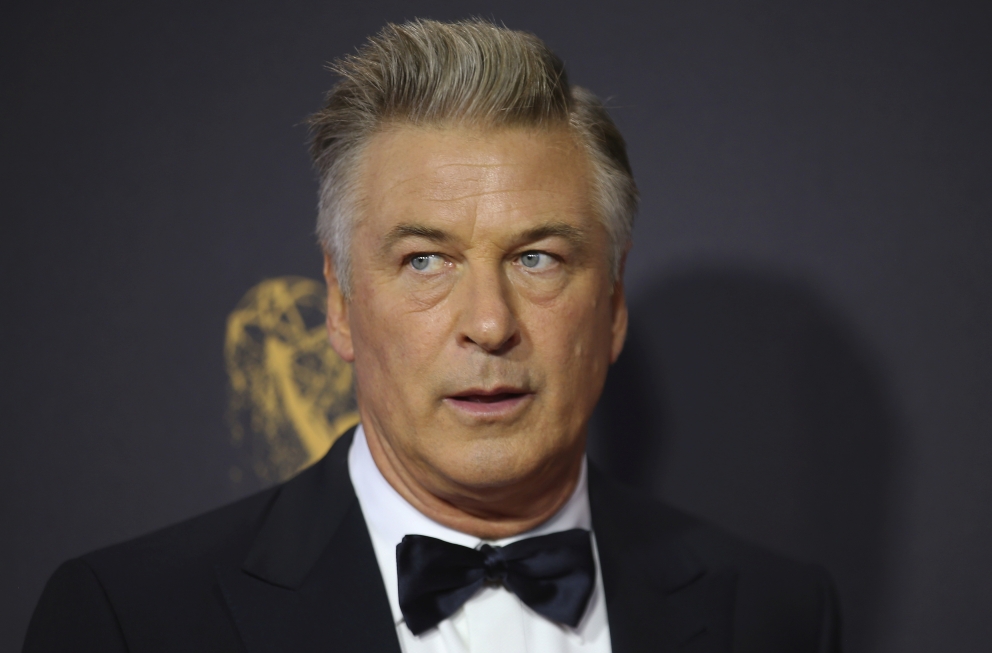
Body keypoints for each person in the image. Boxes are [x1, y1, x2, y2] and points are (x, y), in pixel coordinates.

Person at [24, 19, 840, 653]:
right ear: (340, 304)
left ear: (614, 304)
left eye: (537, 257)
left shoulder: (775, 614)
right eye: (424, 260)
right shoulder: (132, 621)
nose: (489, 323)